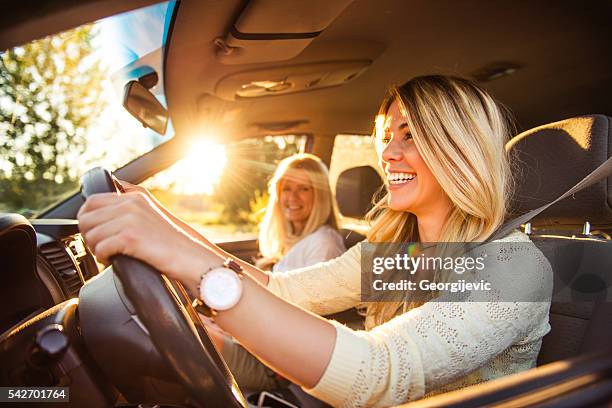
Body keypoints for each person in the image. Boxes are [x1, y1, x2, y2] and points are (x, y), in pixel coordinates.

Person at [78, 75, 552, 407]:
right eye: (387, 136)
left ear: (459, 145)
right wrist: (162, 221)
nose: (387, 153)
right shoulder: (406, 259)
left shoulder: (513, 265)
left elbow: (377, 373)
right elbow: (282, 290)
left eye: (410, 134)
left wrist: (185, 259)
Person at [257, 153, 346, 273]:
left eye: (304, 188)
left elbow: (314, 291)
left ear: (320, 196)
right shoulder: (291, 239)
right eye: (286, 189)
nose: (293, 197)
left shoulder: (324, 243)